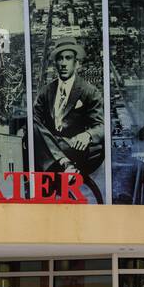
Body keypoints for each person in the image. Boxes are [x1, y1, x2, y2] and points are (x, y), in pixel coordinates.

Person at [31, 38, 105, 187]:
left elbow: (101, 126)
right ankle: (65, 164)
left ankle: (62, 163)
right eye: (60, 58)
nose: (64, 63)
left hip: (73, 146)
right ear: (55, 63)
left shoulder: (89, 91)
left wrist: (87, 135)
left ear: (76, 63)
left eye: (68, 58)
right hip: (52, 145)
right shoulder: (46, 92)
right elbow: (35, 121)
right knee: (31, 124)